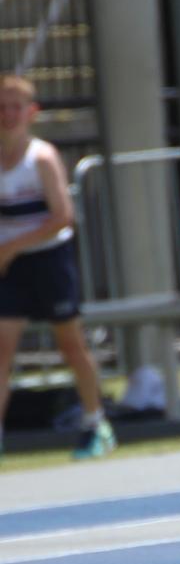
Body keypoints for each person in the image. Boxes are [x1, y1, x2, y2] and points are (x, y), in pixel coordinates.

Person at [0, 73, 115, 460]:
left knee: (71, 344)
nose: (8, 114)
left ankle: (95, 421)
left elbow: (63, 217)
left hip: (49, 259)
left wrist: (13, 246)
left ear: (31, 112)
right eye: (1, 107)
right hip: (10, 266)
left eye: (15, 106)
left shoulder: (42, 158)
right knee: (2, 349)